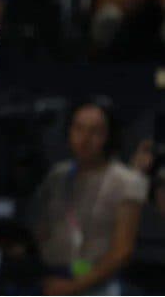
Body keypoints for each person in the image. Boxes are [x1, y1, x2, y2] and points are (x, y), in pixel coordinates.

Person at [33, 98, 147, 295]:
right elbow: (41, 228)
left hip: (97, 282)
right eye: (79, 128)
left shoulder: (126, 181)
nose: (85, 138)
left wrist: (73, 287)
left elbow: (123, 251)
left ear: (109, 136)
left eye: (95, 131)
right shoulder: (58, 176)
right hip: (54, 276)